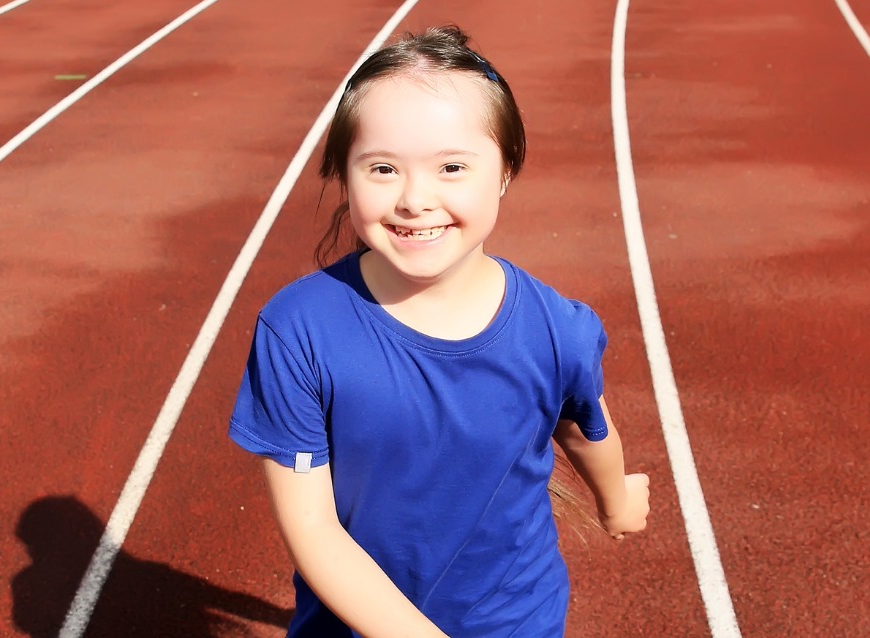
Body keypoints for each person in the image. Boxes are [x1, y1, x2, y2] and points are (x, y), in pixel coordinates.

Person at [228, 25, 651, 637]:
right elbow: (313, 530)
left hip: (515, 619)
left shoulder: (554, 326)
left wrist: (615, 497)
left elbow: (585, 423)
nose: (415, 198)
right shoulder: (300, 332)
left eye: (452, 166)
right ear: (343, 175)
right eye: (382, 169)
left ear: (505, 171)